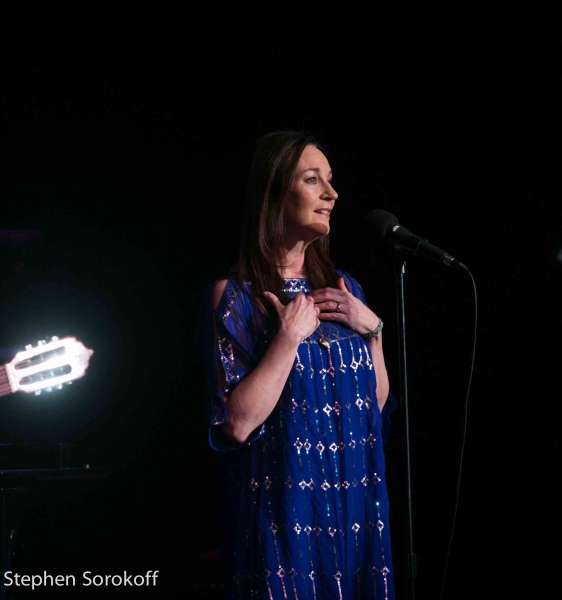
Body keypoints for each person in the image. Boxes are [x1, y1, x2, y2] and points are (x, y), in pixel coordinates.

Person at [199, 130, 397, 599]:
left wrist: (375, 333)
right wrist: (286, 339)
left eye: (330, 180)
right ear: (274, 192)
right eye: (313, 180)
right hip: (284, 513)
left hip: (355, 504)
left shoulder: (345, 290)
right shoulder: (235, 297)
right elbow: (238, 422)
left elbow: (371, 406)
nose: (331, 193)